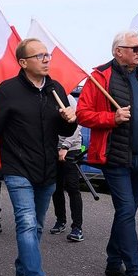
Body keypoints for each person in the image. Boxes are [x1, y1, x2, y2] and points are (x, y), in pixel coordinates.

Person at [0, 37, 77, 276]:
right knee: (27, 223)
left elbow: (63, 131)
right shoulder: (8, 91)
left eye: (47, 55)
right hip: (18, 169)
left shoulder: (56, 90)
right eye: (39, 56)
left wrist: (70, 121)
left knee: (38, 225)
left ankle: (22, 270)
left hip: (47, 170)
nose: (46, 59)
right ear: (23, 62)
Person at [76, 30, 138, 276]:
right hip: (115, 158)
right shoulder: (100, 78)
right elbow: (82, 114)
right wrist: (110, 119)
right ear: (118, 51)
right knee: (126, 210)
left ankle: (113, 261)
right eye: (134, 47)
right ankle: (135, 270)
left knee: (127, 212)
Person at [49, 86, 85, 242]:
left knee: (72, 187)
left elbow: (77, 124)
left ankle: (77, 227)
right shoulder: (48, 98)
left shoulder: (69, 98)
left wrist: (65, 146)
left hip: (71, 148)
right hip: (54, 148)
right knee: (56, 188)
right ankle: (60, 220)